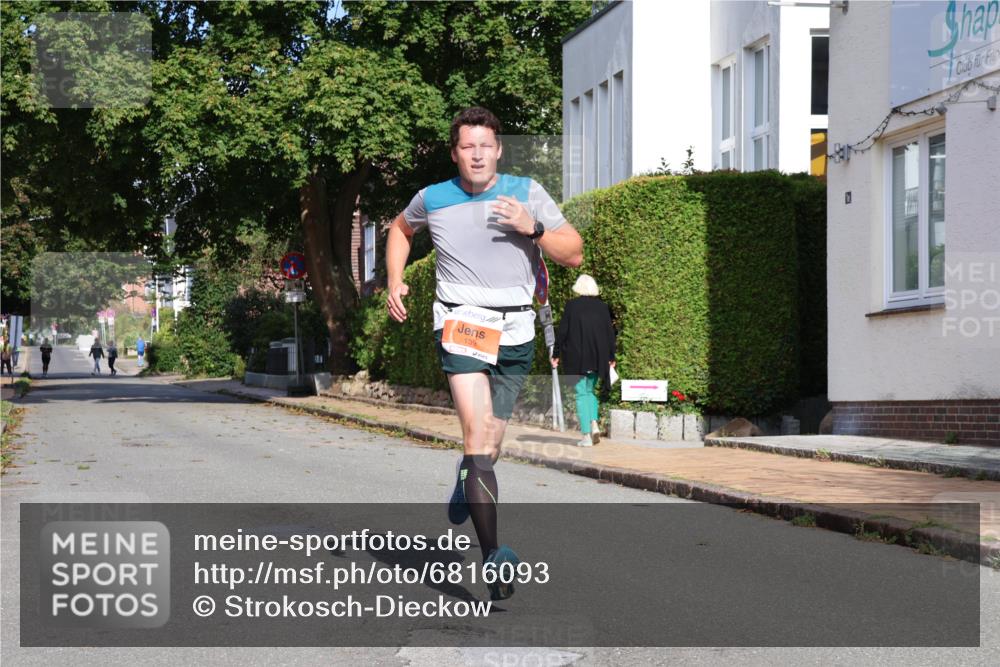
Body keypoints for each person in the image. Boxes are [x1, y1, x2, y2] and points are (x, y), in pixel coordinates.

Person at [386, 106, 583, 600]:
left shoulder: (527, 192)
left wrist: (533, 227)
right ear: (455, 154)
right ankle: (493, 555)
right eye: (467, 146)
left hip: (517, 326)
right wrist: (395, 281)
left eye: (485, 145)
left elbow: (573, 253)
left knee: (488, 447)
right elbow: (398, 230)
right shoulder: (433, 198)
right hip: (462, 321)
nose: (477, 154)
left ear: (498, 149)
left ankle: (467, 471)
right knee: (477, 434)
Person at [551, 275, 617, 447]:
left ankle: (586, 435)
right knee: (590, 392)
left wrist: (556, 354)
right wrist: (611, 356)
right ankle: (594, 423)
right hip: (598, 357)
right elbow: (610, 333)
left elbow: (563, 332)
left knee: (581, 394)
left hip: (577, 358)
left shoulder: (572, 306)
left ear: (578, 287)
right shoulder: (603, 307)